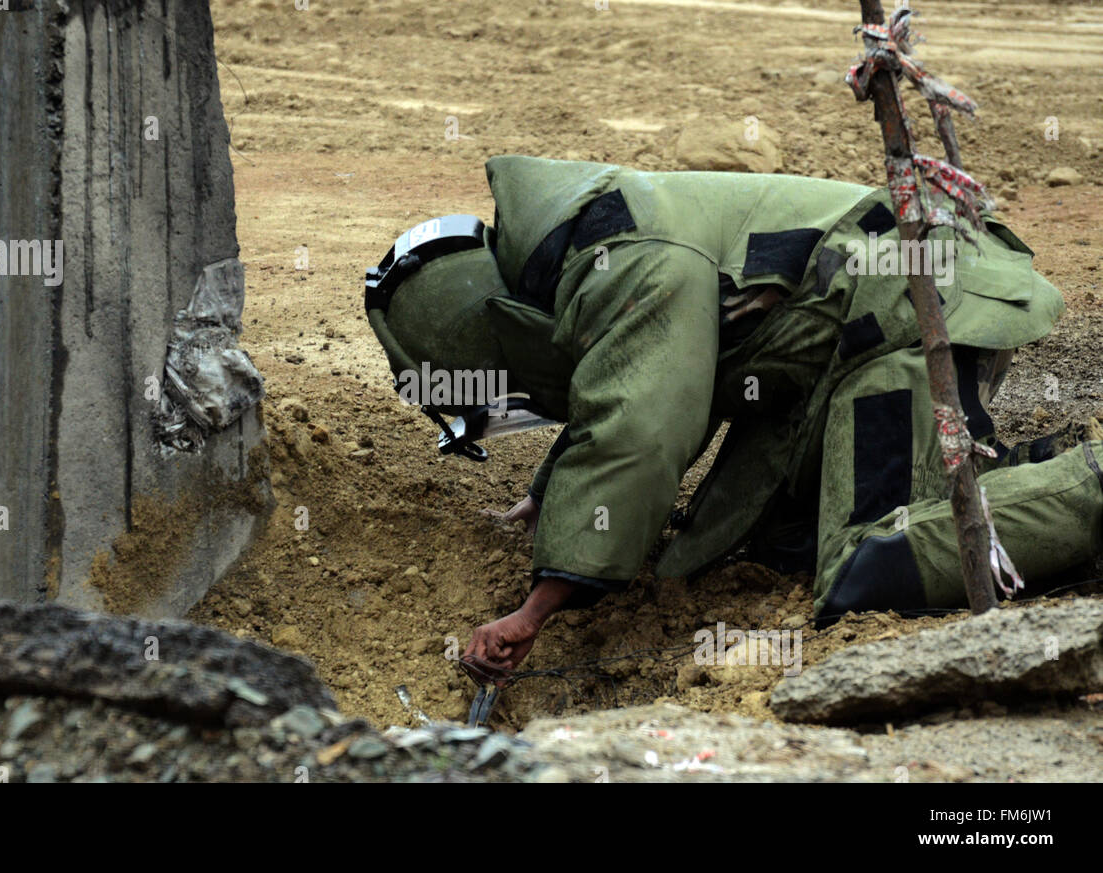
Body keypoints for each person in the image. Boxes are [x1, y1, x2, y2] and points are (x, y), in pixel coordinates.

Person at [363, 155, 1103, 683]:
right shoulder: (593, 243)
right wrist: (551, 489)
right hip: (871, 327)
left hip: (913, 316)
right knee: (780, 544)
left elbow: (644, 422)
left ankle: (1089, 485)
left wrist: (534, 610)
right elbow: (618, 374)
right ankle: (1042, 470)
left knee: (857, 566)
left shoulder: (629, 260)